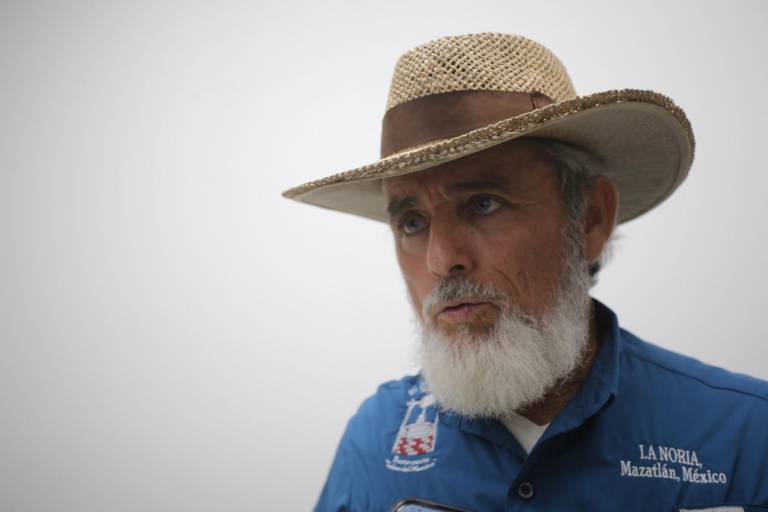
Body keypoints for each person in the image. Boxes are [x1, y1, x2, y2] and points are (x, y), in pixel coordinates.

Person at [282, 33, 768, 511]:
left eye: (483, 204)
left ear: (590, 218)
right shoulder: (376, 439)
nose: (441, 260)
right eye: (412, 222)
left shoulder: (745, 435)